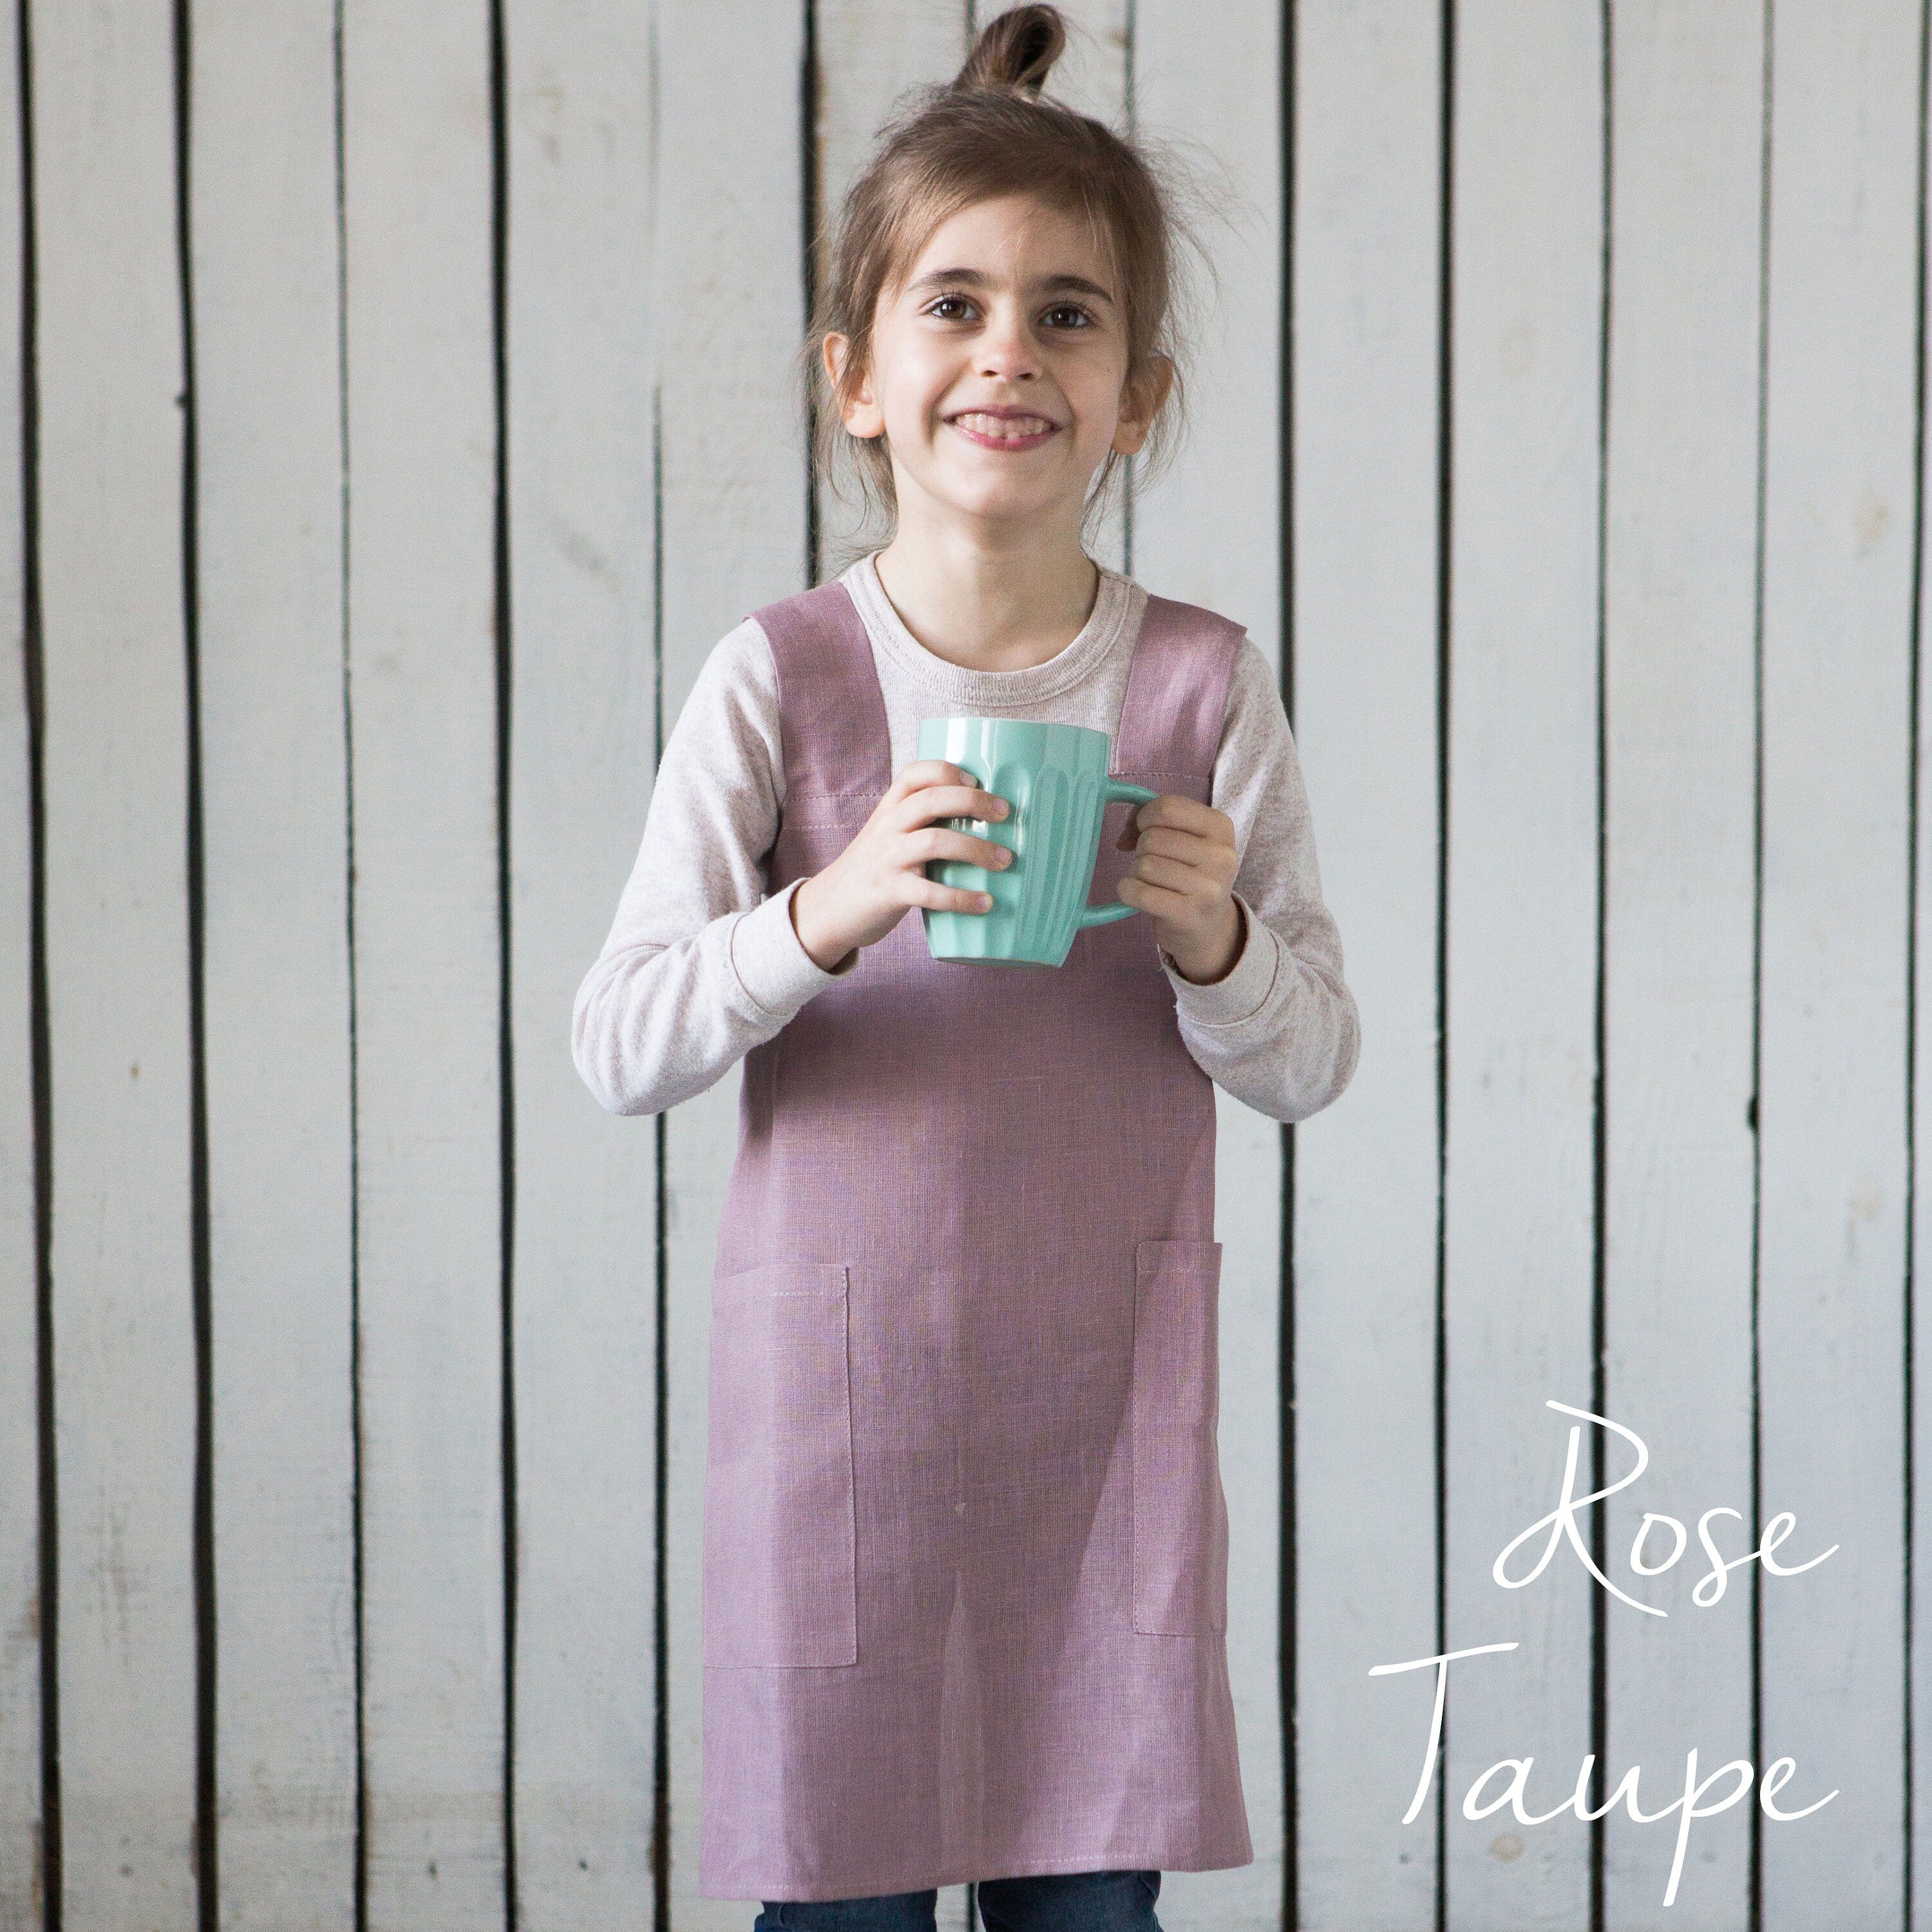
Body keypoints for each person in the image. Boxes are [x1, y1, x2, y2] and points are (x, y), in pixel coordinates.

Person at [571, 6, 1361, 1926]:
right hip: (840, 1435)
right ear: (857, 376)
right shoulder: (781, 676)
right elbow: (621, 1043)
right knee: (830, 1898)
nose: (1011, 347)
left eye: (1069, 314)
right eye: (955, 305)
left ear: (1137, 396)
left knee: (1088, 1902)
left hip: (1100, 1437)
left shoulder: (1200, 684)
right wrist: (825, 911)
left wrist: (1217, 940)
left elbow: (1309, 1055)